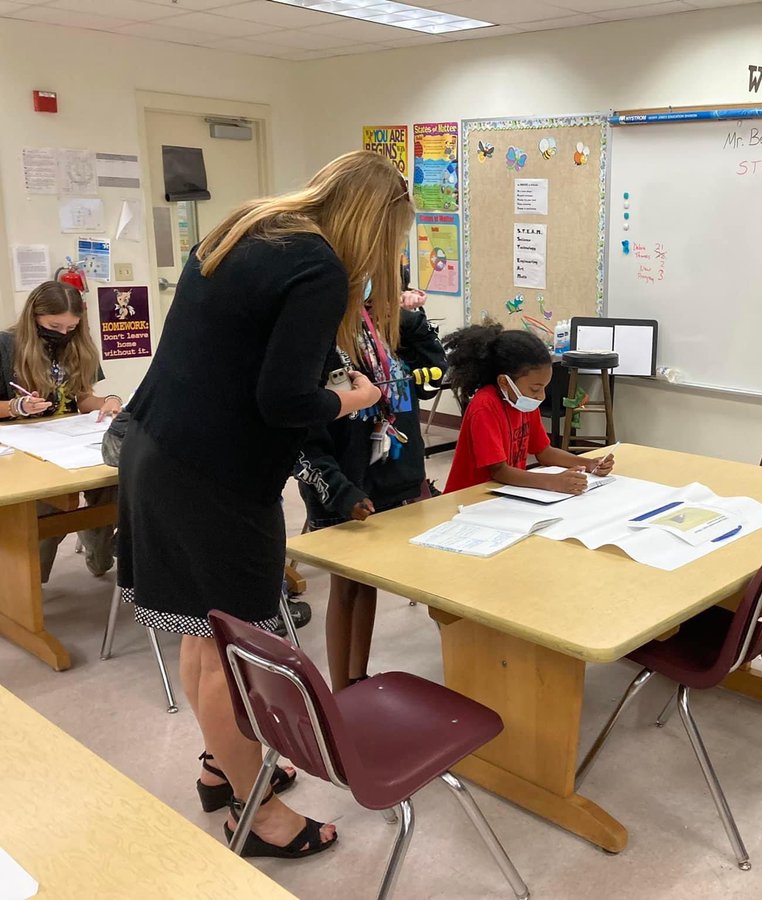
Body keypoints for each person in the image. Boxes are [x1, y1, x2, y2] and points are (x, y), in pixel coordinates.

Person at [117, 150, 401, 859]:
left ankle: (222, 765)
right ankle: (257, 814)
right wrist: (351, 396)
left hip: (158, 450)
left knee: (200, 633)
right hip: (216, 479)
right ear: (374, 226)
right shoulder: (320, 268)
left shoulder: (248, 229)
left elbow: (239, 359)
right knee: (230, 650)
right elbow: (283, 402)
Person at [294, 274, 447, 691]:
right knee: (347, 587)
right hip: (344, 485)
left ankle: (359, 677)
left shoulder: (383, 331)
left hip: (397, 475)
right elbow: (299, 438)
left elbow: (434, 371)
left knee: (370, 584)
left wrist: (406, 318)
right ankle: (343, 690)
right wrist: (342, 492)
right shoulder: (314, 338)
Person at [1, 280, 120, 579]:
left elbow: (83, 399)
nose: (62, 334)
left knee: (111, 483)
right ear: (34, 317)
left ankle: (100, 555)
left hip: (68, 440)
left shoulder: (78, 345)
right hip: (22, 446)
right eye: (55, 326)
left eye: (71, 328)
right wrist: (17, 407)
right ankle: (29, 588)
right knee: (44, 508)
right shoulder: (6, 346)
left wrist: (109, 401)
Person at [441, 323, 614, 494]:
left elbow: (544, 452)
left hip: (503, 494)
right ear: (504, 382)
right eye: (535, 388)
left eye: (544, 388)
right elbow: (499, 471)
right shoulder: (484, 406)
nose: (541, 396)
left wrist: (589, 464)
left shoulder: (523, 401)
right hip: (470, 497)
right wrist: (553, 482)